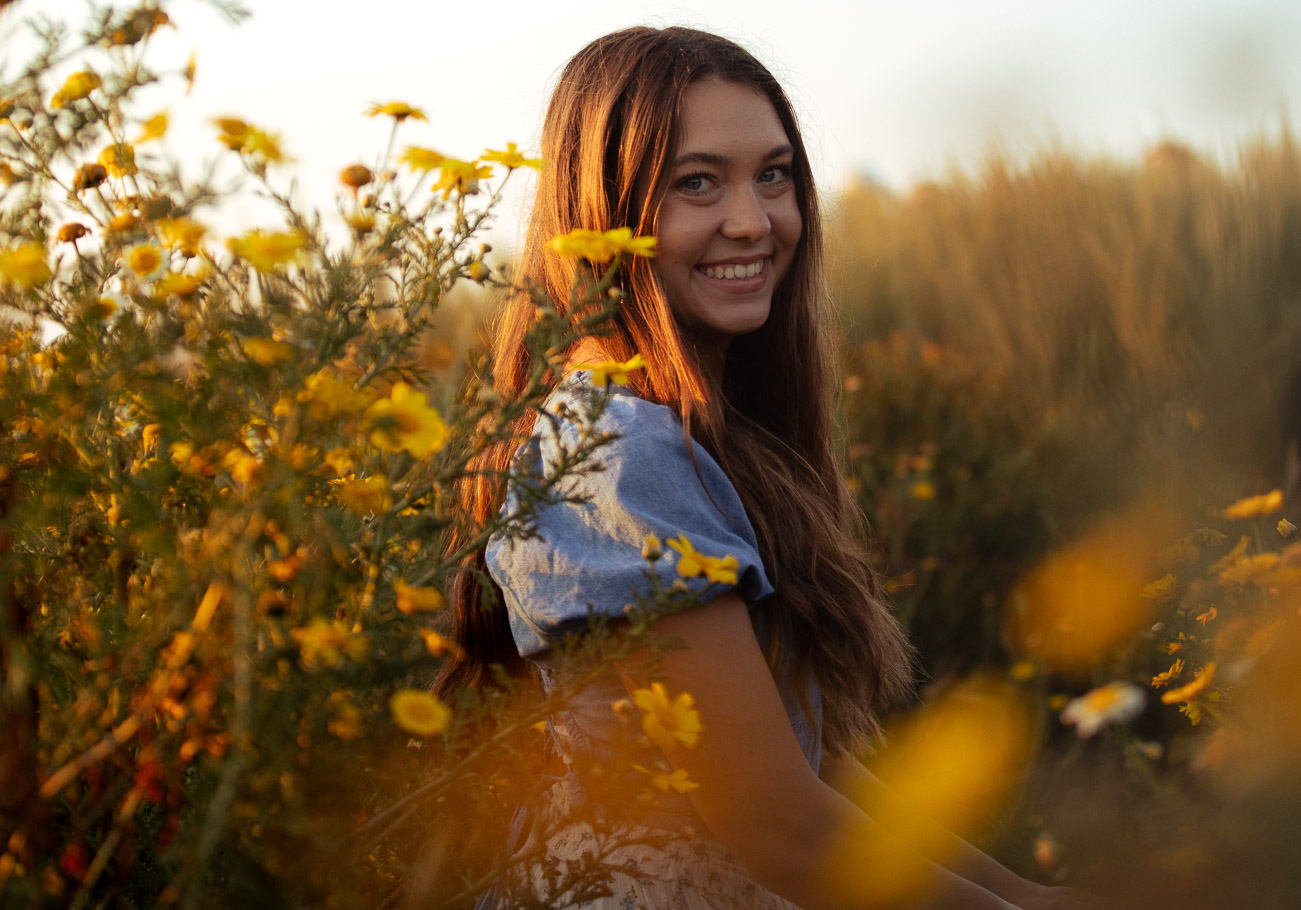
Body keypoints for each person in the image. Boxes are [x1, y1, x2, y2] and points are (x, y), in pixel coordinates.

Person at [436, 25, 1099, 910]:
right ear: (603, 214)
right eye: (695, 182)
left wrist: (1034, 898)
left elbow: (822, 777)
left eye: (773, 174)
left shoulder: (687, 435)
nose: (752, 220)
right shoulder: (615, 454)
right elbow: (783, 830)